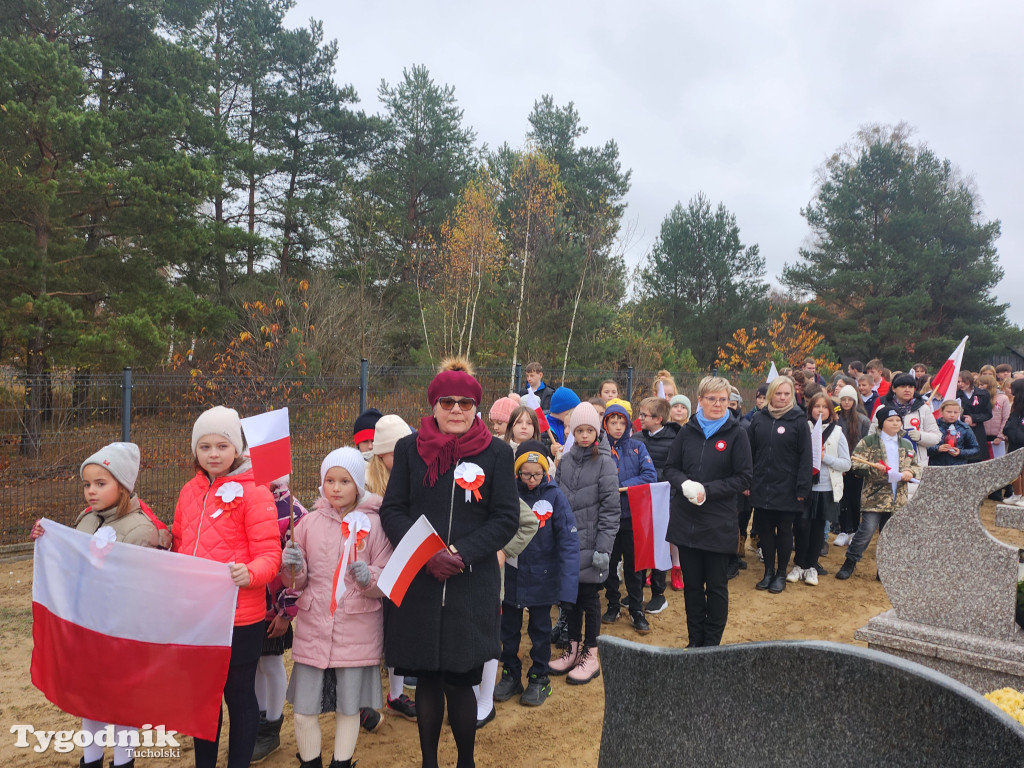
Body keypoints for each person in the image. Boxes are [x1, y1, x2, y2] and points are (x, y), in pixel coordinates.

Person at [378, 358, 519, 768]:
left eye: (464, 402)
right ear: (433, 404)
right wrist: (427, 554)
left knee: (460, 681)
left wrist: (460, 554)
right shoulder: (408, 449)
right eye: (447, 401)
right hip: (420, 582)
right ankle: (428, 762)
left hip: (469, 585)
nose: (456, 409)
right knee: (427, 679)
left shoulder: (496, 454)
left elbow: (506, 517)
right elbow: (394, 510)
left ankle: (465, 761)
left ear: (476, 406)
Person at [29, 442, 162, 768]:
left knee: (121, 702)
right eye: (87, 484)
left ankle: (123, 761)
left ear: (123, 486)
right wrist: (47, 538)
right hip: (86, 628)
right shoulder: (87, 519)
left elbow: (140, 587)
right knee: (89, 697)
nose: (91, 491)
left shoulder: (141, 530)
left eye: (100, 484)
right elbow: (71, 561)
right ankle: (91, 760)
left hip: (120, 633)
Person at [173, 406, 282, 768]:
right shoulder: (189, 491)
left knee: (238, 695)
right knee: (203, 700)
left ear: (236, 448)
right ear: (195, 451)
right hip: (198, 616)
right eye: (205, 447)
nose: (214, 454)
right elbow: (179, 541)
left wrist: (250, 573)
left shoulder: (255, 492)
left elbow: (270, 554)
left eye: (222, 445)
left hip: (240, 616)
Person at [279, 448, 392, 768]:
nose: (336, 487)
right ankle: (309, 762)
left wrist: (368, 577)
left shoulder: (376, 525)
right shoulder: (307, 524)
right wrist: (292, 566)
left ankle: (341, 764)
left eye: (345, 480)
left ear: (359, 483)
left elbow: (385, 580)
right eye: (330, 480)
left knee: (348, 707)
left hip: (357, 632)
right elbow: (295, 582)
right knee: (303, 711)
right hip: (314, 629)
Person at [664, 376, 752, 647]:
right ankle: (695, 642)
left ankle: (711, 645)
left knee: (715, 587)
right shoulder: (686, 432)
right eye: (711, 399)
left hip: (717, 522)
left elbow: (744, 477)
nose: (717, 404)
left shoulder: (737, 433)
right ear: (699, 400)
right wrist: (685, 484)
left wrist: (707, 490)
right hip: (686, 521)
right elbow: (670, 468)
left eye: (723, 399)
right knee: (692, 587)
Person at [494, 442, 578, 707]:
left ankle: (540, 677)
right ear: (516, 473)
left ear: (546, 471)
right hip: (513, 577)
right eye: (525, 474)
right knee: (509, 630)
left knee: (540, 630)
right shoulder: (508, 495)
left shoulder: (555, 497)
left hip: (543, 578)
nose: (531, 480)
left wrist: (566, 589)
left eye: (537, 474)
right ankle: (511, 673)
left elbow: (568, 543)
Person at [549, 402, 619, 684]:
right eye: (580, 430)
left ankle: (591, 653)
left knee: (590, 600)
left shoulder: (605, 463)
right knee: (570, 601)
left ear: (597, 431)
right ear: (572, 432)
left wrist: (603, 548)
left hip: (592, 544)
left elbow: (611, 510)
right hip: (568, 545)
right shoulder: (564, 462)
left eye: (590, 429)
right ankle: (573, 648)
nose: (585, 435)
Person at [362, 415, 418, 723]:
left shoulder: (412, 473)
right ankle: (363, 700)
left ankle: (395, 694)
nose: (402, 456)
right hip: (370, 568)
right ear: (381, 453)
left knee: (396, 630)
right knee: (369, 635)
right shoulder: (366, 483)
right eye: (395, 451)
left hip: (401, 565)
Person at [251, 476, 309, 763]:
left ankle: (271, 728)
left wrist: (287, 611)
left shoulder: (293, 512)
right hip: (249, 602)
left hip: (274, 606)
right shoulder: (247, 501)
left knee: (271, 663)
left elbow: (299, 568)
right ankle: (260, 719)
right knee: (256, 665)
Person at [836, 407, 922, 580]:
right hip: (875, 496)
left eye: (898, 420)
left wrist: (910, 473)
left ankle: (883, 569)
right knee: (866, 530)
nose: (896, 423)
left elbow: (915, 465)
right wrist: (874, 469)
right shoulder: (869, 442)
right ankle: (850, 562)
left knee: (890, 535)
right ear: (882, 423)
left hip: (898, 498)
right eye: (891, 420)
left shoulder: (906, 444)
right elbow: (855, 463)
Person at [748, 376, 812, 594]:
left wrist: (803, 488)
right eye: (778, 393)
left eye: (787, 394)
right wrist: (748, 480)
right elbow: (749, 453)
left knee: (785, 531)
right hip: (762, 486)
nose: (782, 398)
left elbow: (806, 457)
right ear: (770, 396)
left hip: (788, 488)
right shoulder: (759, 419)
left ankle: (781, 573)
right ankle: (768, 571)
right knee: (764, 531)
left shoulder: (799, 421)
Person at [601, 403, 659, 633]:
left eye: (622, 422)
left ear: (628, 424)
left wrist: (622, 486)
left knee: (634, 567)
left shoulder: (638, 448)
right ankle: (613, 603)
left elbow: (649, 475)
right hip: (607, 519)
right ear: (605, 424)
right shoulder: (598, 449)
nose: (617, 427)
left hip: (632, 517)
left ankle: (636, 608)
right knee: (609, 563)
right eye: (612, 422)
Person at [790, 393, 850, 586]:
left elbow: (846, 464)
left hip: (826, 487)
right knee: (801, 525)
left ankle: (811, 566)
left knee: (818, 527)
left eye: (825, 407)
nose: (820, 410)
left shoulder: (838, 432)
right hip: (805, 486)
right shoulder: (802, 428)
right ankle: (799, 563)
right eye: (817, 407)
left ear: (831, 412)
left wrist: (824, 457)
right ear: (810, 410)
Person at [635, 396, 684, 591]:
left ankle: (676, 569)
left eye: (644, 415)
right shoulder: (637, 438)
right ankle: (651, 568)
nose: (640, 418)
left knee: (670, 536)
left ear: (658, 420)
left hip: (668, 496)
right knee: (648, 534)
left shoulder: (676, 439)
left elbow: (678, 468)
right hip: (645, 496)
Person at [867, 372, 942, 469]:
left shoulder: (923, 409)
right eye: (903, 386)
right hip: (888, 465)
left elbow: (937, 437)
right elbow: (872, 437)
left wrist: (921, 436)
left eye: (910, 387)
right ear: (894, 388)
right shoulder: (882, 409)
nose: (907, 390)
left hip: (915, 467)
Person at [834, 385, 871, 548]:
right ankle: (843, 530)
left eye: (850, 399)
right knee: (841, 499)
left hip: (856, 467)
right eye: (843, 399)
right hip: (840, 466)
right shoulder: (835, 419)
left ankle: (854, 530)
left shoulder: (863, 420)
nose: (846, 402)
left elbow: (866, 445)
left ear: (855, 401)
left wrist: (860, 468)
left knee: (855, 499)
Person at [927, 400, 981, 467]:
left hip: (958, 466)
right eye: (949, 412)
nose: (952, 415)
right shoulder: (932, 426)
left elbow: (976, 449)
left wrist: (960, 452)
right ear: (941, 412)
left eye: (955, 412)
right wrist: (937, 449)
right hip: (936, 466)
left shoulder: (964, 428)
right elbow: (923, 448)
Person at [957, 370, 992, 463]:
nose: (961, 384)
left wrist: (973, 418)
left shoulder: (983, 394)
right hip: (960, 430)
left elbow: (988, 414)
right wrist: (963, 418)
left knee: (976, 459)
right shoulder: (955, 394)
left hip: (977, 429)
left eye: (964, 382)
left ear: (970, 381)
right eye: (959, 382)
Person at [1002, 379, 1024, 506]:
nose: (1010, 390)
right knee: (1014, 468)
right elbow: (1011, 422)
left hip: (1021, 442)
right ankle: (1017, 494)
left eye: (1012, 388)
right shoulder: (1016, 405)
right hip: (1014, 443)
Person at [981, 374, 1010, 462]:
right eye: (978, 384)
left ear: (989, 385)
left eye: (982, 384)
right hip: (982, 436)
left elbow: (1006, 418)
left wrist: (1000, 436)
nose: (980, 387)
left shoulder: (1003, 398)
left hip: (997, 438)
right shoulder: (978, 398)